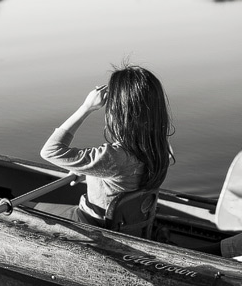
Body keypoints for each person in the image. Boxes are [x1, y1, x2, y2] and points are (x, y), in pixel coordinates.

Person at [35, 64, 174, 228]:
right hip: (128, 226)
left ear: (119, 112)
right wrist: (91, 172)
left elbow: (50, 151)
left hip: (91, 224)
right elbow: (120, 178)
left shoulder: (114, 156)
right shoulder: (160, 149)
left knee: (28, 209)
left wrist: (86, 108)